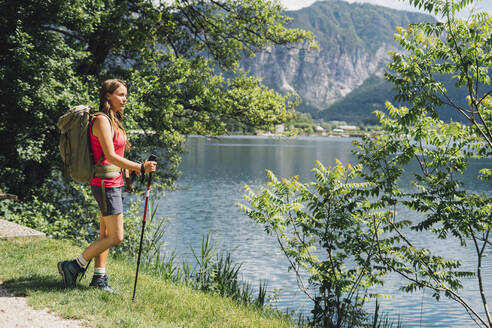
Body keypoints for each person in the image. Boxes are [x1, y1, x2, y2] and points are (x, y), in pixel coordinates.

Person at [58, 79, 157, 293]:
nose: (125, 98)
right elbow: (110, 156)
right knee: (115, 236)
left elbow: (115, 156)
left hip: (114, 181)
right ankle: (74, 265)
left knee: (105, 234)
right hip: (105, 183)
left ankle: (99, 278)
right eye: (120, 94)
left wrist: (128, 171)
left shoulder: (114, 120)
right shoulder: (101, 120)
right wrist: (140, 167)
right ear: (108, 96)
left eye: (125, 94)